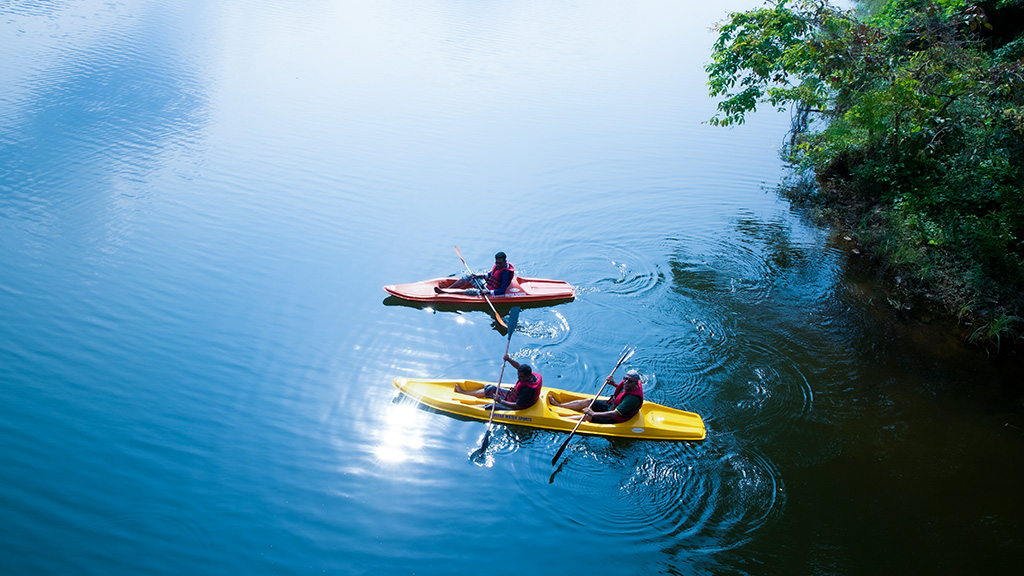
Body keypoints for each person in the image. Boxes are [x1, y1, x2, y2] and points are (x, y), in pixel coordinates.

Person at [551, 369, 644, 423]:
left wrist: (593, 414)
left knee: (587, 416)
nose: (626, 382)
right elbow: (623, 390)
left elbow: (615, 414)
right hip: (610, 406)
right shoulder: (629, 385)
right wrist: (613, 383)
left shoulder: (632, 399)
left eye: (629, 381)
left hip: (615, 418)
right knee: (588, 401)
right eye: (625, 379)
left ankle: (560, 420)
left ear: (636, 383)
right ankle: (559, 405)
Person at [454, 353, 542, 410]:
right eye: (518, 376)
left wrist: (500, 401)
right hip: (512, 397)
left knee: (492, 406)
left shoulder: (527, 390)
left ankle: (467, 408)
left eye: (521, 377)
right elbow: (518, 366)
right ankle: (465, 393)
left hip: (517, 406)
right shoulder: (529, 375)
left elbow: (518, 405)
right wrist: (509, 359)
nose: (519, 379)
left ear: (528, 376)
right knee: (491, 388)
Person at [436, 251, 515, 296]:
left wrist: (488, 292)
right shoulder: (498, 267)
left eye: (500, 263)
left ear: (505, 261)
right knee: (469, 276)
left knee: (470, 291)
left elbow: (502, 290)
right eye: (496, 263)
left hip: (489, 291)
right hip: (486, 285)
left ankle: (445, 292)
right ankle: (449, 289)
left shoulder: (505, 273)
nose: (497, 265)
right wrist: (478, 276)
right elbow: (490, 275)